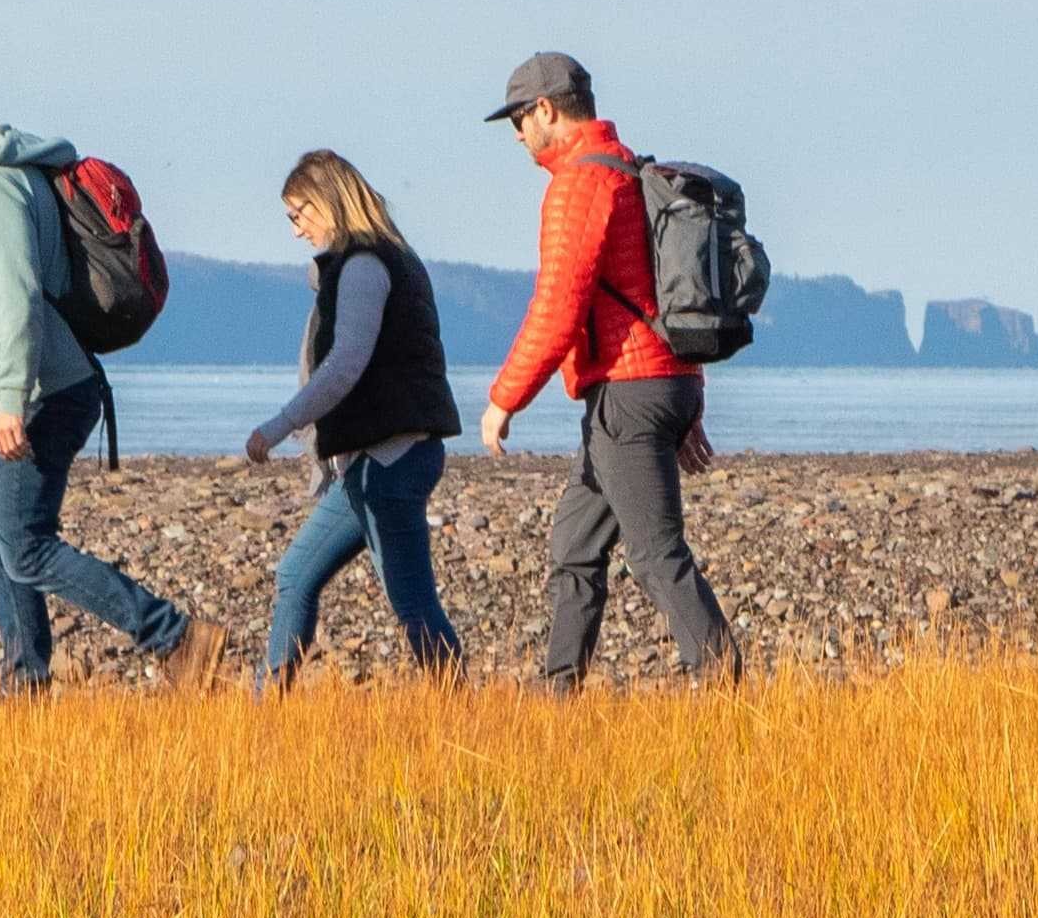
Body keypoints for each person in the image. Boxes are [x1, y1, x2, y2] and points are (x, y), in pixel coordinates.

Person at [0, 54, 195, 690]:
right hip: (52, 383)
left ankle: (175, 638)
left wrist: (8, 400)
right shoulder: (24, 170)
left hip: (39, 391)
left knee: (24, 545)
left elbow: (16, 296)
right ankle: (25, 682)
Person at [472, 50, 739, 687]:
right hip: (655, 383)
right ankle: (558, 699)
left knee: (654, 555)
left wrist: (504, 398)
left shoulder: (579, 182)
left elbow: (559, 302)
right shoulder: (628, 167)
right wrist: (687, 398)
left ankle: (728, 687)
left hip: (629, 391)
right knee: (576, 546)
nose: (515, 135)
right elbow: (664, 294)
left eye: (517, 119)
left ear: (545, 110)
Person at [233, 147, 464, 684]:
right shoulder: (380, 259)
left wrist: (278, 426)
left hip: (392, 459)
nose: (296, 231)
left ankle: (464, 704)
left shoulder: (365, 265)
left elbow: (343, 366)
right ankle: (269, 707)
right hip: (370, 464)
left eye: (299, 214)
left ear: (328, 200)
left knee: (412, 602)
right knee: (295, 575)